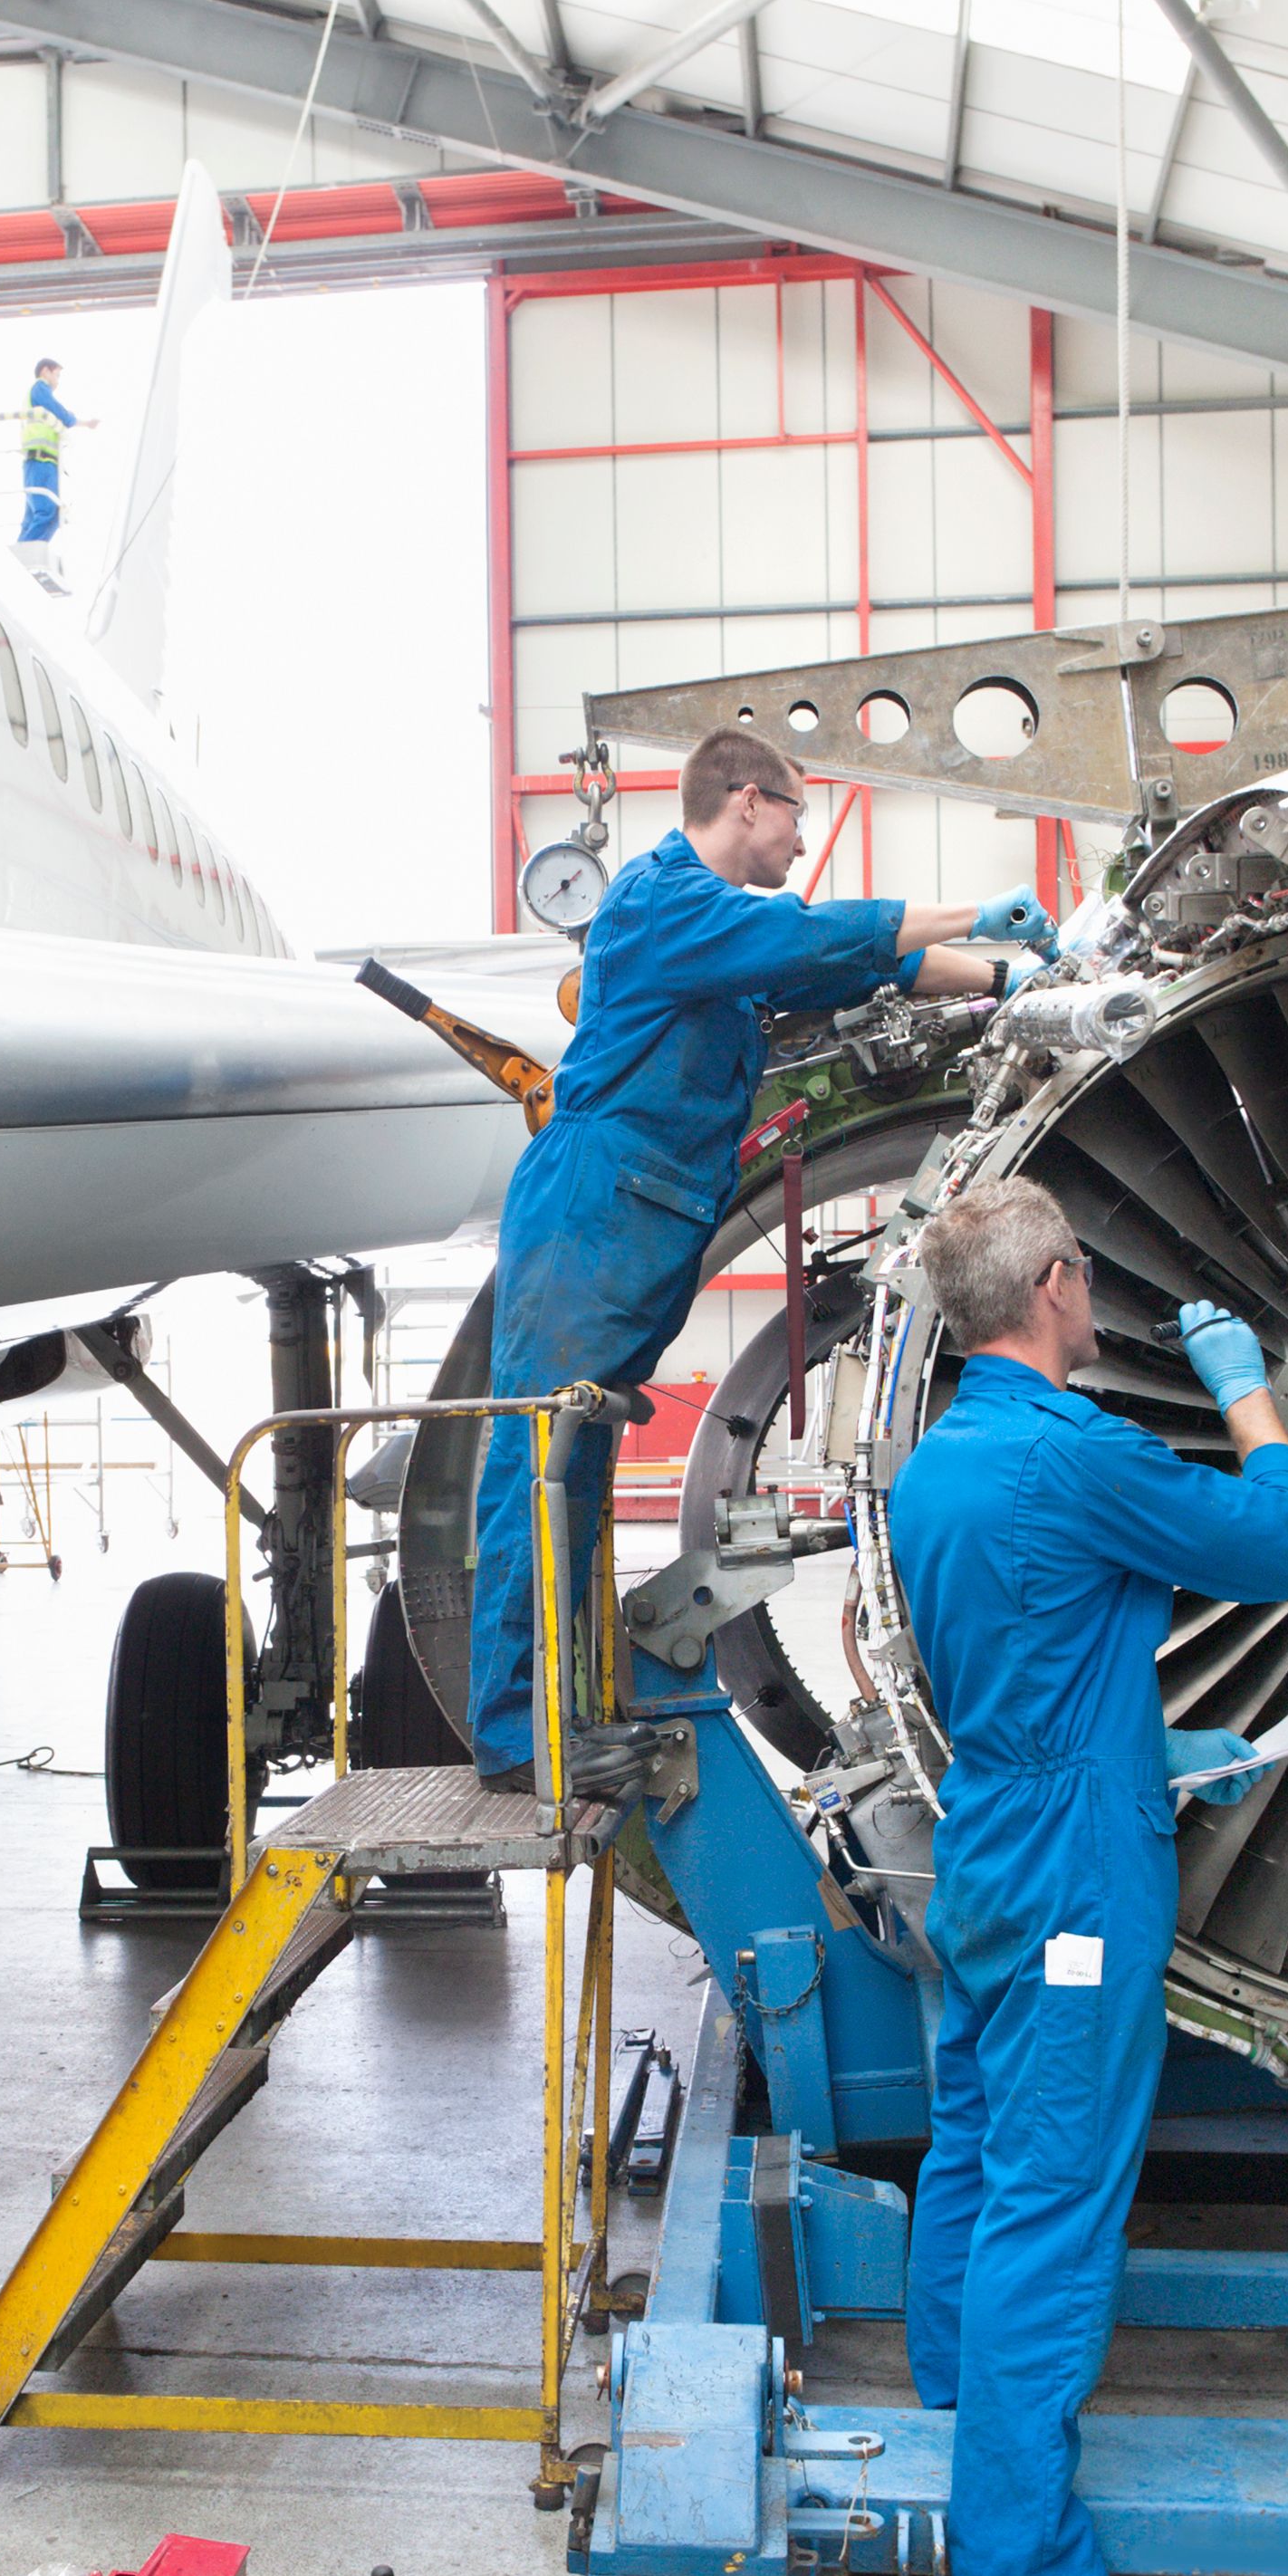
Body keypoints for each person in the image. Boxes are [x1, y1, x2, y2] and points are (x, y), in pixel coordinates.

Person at [882, 1177, 1288, 2576]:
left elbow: (1036, 1647)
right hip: (1077, 1869)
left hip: (996, 1831)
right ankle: (1018, 2571)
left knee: (972, 2132)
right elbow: (1285, 1546)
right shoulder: (1071, 1453)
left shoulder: (938, 1462)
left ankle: (959, 2400)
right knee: (1051, 2198)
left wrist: (1151, 1745)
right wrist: (1248, 1391)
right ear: (1057, 1285)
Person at [457, 724, 1050, 1793]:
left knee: (572, 1465)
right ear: (744, 800)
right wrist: (979, 909)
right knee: (539, 1463)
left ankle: (559, 1719)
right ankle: (517, 1737)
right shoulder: (658, 899)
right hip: (592, 1209)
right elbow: (815, 937)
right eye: (793, 814)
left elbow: (869, 966)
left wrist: (1008, 981)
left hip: (635, 1221)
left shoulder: (715, 934)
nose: (797, 835)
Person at [15, 358, 90, 593]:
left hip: (45, 463)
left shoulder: (40, 393)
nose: (57, 382)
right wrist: (75, 421)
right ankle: (23, 556)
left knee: (43, 515)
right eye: (56, 375)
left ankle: (25, 551)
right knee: (47, 512)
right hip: (39, 461)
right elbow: (57, 410)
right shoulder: (39, 389)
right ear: (45, 371)